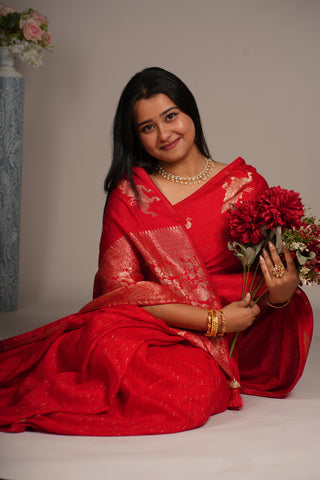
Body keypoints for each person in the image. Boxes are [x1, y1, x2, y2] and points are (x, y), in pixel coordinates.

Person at [0, 67, 313, 436]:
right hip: (155, 325)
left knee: (189, 392)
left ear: (190, 112)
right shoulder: (132, 195)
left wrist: (280, 297)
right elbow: (121, 291)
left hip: (221, 340)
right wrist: (215, 321)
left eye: (170, 117)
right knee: (107, 345)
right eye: (148, 127)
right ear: (136, 137)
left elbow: (266, 281)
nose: (165, 134)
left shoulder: (245, 185)